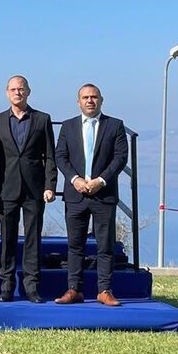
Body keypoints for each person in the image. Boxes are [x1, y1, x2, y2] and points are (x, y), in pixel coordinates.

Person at [0, 76, 57, 303]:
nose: (18, 93)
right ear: (7, 93)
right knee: (7, 239)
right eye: (13, 89)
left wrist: (50, 185)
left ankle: (32, 286)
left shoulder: (42, 119)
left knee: (33, 238)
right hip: (7, 188)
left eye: (21, 89)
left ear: (28, 92)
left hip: (34, 189)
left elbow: (50, 156)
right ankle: (6, 285)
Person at [54, 83, 128, 307]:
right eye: (85, 97)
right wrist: (75, 180)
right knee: (75, 245)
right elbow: (61, 156)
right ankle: (74, 289)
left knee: (105, 246)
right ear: (78, 101)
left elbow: (120, 157)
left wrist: (101, 180)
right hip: (76, 195)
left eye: (94, 97)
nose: (90, 101)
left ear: (101, 100)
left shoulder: (115, 126)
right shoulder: (68, 126)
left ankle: (104, 290)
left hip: (103, 195)